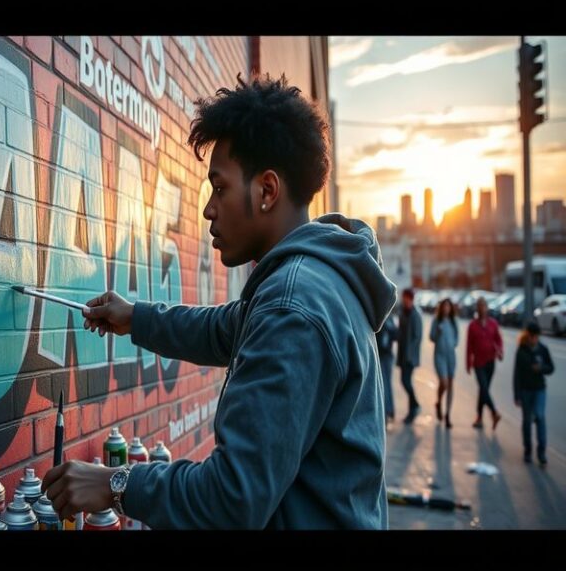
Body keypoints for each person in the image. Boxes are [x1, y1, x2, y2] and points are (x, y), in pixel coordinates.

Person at [41, 74, 397, 529]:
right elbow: (223, 328)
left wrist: (114, 484)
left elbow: (232, 498)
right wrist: (134, 317)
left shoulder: (293, 306)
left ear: (267, 191)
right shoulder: (312, 281)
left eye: (220, 187)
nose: (208, 208)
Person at [514, 321, 554, 465]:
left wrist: (541, 368)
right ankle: (528, 450)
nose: (533, 339)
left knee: (540, 416)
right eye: (531, 336)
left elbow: (551, 368)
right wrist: (517, 395)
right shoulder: (522, 350)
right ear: (527, 336)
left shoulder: (543, 349)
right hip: (525, 389)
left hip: (539, 389)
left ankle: (541, 451)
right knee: (526, 420)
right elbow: (517, 374)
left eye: (536, 337)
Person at [466, 296, 503, 429]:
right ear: (477, 308)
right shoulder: (472, 325)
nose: (482, 308)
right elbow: (469, 345)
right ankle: (494, 413)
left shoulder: (493, 323)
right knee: (484, 388)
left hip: (490, 361)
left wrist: (500, 351)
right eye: (480, 306)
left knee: (484, 390)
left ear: (487, 308)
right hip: (478, 363)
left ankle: (479, 418)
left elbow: (498, 339)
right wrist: (468, 363)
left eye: (484, 306)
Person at [429, 298, 458, 429]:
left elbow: (457, 337)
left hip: (451, 356)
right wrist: (438, 333)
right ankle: (439, 402)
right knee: (444, 383)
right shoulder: (437, 320)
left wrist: (453, 343)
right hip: (439, 355)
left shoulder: (453, 321)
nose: (446, 308)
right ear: (441, 308)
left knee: (451, 384)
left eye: (448, 306)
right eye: (444, 306)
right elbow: (431, 337)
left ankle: (448, 415)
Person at [396, 288, 423, 424]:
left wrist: (410, 354)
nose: (405, 300)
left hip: (410, 356)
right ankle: (414, 408)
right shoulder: (403, 313)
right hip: (402, 354)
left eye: (407, 297)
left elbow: (417, 337)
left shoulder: (415, 314)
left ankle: (414, 408)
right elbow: (400, 332)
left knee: (406, 381)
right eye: (404, 297)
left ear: (411, 299)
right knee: (404, 381)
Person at [376, 312, 398, 426]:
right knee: (383, 385)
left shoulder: (390, 318)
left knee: (387, 384)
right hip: (379, 355)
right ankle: (386, 413)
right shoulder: (376, 316)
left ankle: (389, 411)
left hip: (387, 355)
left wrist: (390, 329)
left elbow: (396, 335)